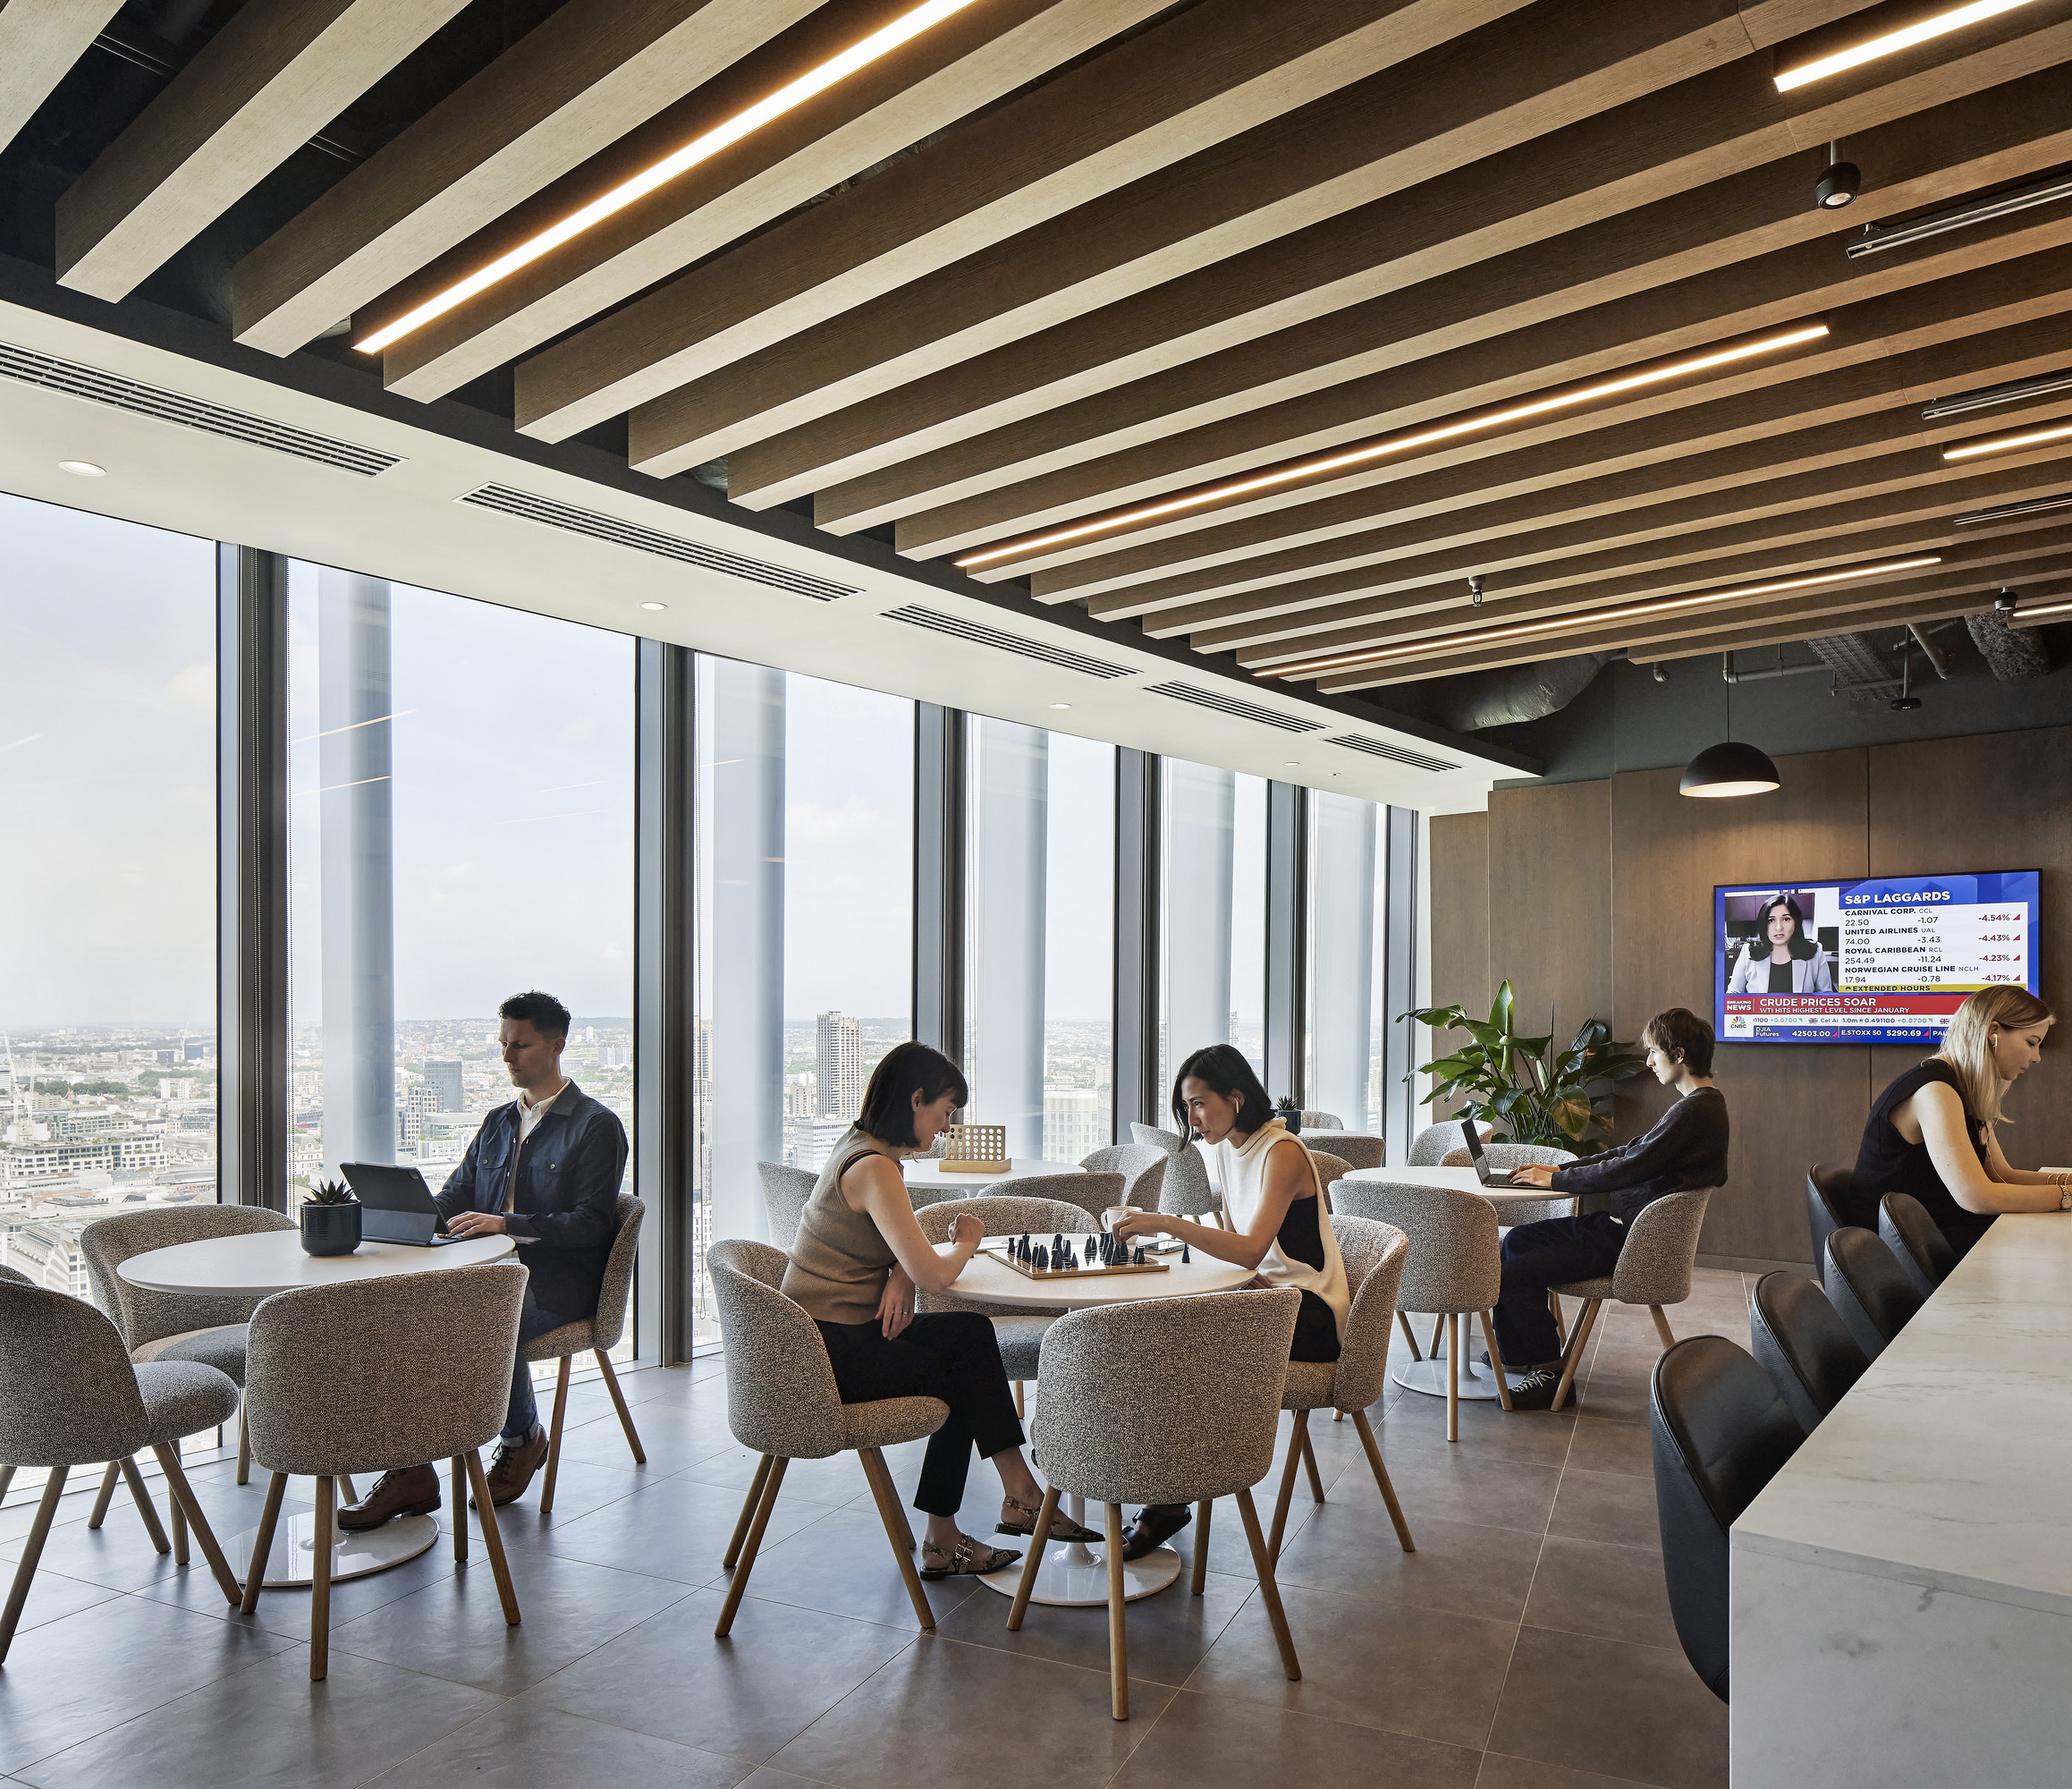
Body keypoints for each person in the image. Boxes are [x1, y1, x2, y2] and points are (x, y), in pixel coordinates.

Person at [782, 1040, 1088, 1577]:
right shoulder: (875, 1168)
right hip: (823, 1356)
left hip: (834, 1335)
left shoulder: (862, 1148)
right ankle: (970, 1522)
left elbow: (905, 1252)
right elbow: (935, 1275)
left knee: (969, 1336)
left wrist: (901, 1271)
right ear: (916, 1099)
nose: (946, 1127)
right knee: (961, 1370)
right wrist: (968, 1240)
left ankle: (1010, 1498)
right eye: (945, 1112)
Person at [340, 990, 630, 1530]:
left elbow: (593, 1224)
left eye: (519, 1045)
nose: (506, 1057)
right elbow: (456, 1197)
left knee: (476, 1323)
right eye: (502, 1044)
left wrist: (507, 1224)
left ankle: (522, 1440)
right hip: (485, 1272)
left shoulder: (595, 1126)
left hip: (558, 1283)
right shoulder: (499, 1121)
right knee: (400, 1320)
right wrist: (402, 1213)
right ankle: (412, 1471)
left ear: (556, 1045)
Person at [1108, 1043, 1349, 1559]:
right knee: (1162, 1332)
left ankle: (1170, 1491)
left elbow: (1250, 1248)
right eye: (1187, 1107)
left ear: (1235, 1099)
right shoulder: (1222, 1149)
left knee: (1178, 1345)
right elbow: (1234, 1240)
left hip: (1307, 1311)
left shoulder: (1281, 1152)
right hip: (1265, 1298)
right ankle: (1155, 1479)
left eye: (1199, 1104)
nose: (1192, 1119)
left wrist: (1170, 1223)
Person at [1491, 1008, 1728, 1410]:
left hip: (1630, 1241)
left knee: (1512, 1271)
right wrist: (1560, 1169)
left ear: (1680, 1054)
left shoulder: (1695, 1111)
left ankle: (1548, 1374)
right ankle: (1522, 1356)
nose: (1649, 1061)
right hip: (1621, 1229)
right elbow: (1629, 1152)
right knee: (1515, 1240)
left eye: (1654, 1051)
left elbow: (1626, 1167)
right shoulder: (1698, 1106)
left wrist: (1556, 1181)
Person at [1855, 986, 2067, 1260]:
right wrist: (2064, 1197)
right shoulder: (1935, 1090)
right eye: (2031, 1042)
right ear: (1993, 1034)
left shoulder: (1964, 1086)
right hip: (1899, 1255)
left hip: (1935, 1234)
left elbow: (2002, 1175)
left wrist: (2067, 1185)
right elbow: (1977, 1198)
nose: (2037, 1056)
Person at [1727, 892, 1834, 993]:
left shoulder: (1815, 952)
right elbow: (1733, 993)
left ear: (1796, 922)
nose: (1779, 928)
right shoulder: (1748, 951)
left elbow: (1826, 998)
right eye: (1771, 920)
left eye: (1786, 919)